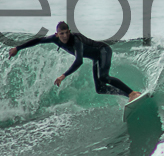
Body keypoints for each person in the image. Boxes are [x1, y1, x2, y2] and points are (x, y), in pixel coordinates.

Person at [8, 21, 141, 102]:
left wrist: (63, 75)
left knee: (104, 77)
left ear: (69, 32)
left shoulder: (76, 40)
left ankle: (132, 93)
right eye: (62, 34)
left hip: (103, 51)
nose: (65, 36)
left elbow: (79, 61)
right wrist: (17, 48)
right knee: (100, 89)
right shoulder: (54, 39)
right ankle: (131, 95)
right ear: (57, 34)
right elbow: (38, 40)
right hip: (96, 58)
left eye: (67, 33)